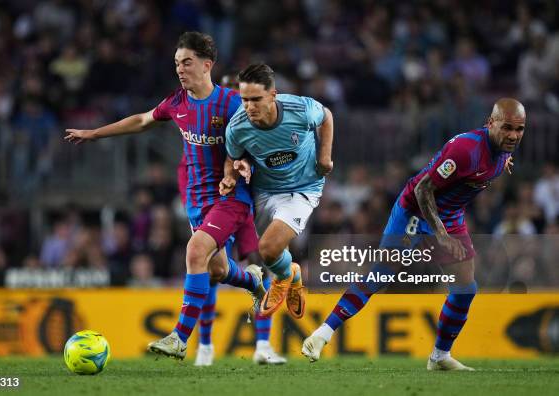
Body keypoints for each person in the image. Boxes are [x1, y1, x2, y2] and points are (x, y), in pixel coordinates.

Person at [65, 32, 265, 360]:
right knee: (216, 270)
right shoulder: (177, 103)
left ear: (207, 65)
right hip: (197, 200)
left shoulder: (231, 103)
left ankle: (180, 337)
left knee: (195, 250)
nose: (180, 69)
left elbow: (255, 141)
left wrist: (243, 165)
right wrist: (95, 133)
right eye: (176, 64)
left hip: (230, 197)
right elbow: (143, 120)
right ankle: (254, 282)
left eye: (186, 62)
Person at [302, 98, 525, 371]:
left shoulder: (502, 151)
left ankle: (440, 356)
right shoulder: (466, 150)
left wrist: (504, 159)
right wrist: (441, 234)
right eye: (507, 128)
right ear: (490, 123)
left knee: (466, 289)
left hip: (449, 217)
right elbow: (422, 190)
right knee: (382, 274)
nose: (513, 135)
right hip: (415, 211)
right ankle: (322, 334)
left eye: (519, 129)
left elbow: (487, 166)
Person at [220, 63, 334, 319]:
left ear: (273, 95)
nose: (249, 106)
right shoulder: (237, 127)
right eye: (245, 99)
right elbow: (232, 157)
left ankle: (282, 277)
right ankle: (291, 274)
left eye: (256, 99)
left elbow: (326, 116)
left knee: (269, 249)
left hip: (303, 188)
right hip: (264, 191)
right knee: (269, 254)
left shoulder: (300, 109)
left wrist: (324, 157)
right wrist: (230, 176)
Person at [191, 71, 286, 366]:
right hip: (219, 203)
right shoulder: (213, 125)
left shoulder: (255, 124)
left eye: (245, 98)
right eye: (237, 97)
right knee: (211, 268)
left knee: (262, 264)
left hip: (249, 203)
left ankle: (262, 345)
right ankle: (205, 346)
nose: (243, 104)